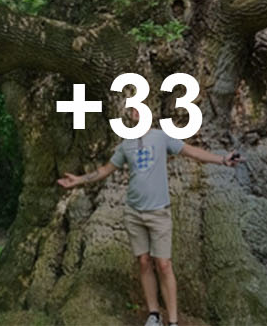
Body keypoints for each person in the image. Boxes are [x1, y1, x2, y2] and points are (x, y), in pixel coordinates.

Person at [57, 105, 240, 326]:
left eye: (141, 109)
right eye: (133, 110)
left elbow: (191, 151)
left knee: (164, 265)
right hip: (133, 213)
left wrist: (222, 159)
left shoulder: (161, 138)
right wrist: (78, 180)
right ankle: (154, 315)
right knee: (144, 262)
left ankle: (172, 321)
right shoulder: (126, 145)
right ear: (131, 117)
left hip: (158, 213)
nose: (137, 113)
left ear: (150, 114)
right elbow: (105, 170)